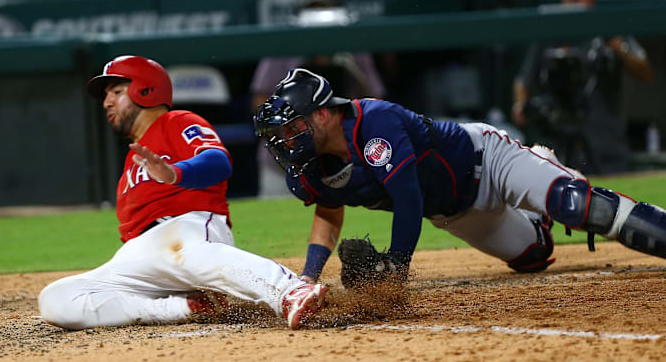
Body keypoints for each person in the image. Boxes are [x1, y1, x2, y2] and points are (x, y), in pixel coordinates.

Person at [253, 68, 666, 286]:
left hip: (487, 159)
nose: (287, 139)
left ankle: (544, 171)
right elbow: (328, 210)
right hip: (454, 211)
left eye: (293, 126)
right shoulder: (308, 167)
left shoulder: (373, 122)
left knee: (575, 206)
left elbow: (408, 197)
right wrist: (308, 276)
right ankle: (538, 218)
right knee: (533, 257)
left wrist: (397, 265)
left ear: (323, 113)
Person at [38, 55, 327, 330]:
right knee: (57, 299)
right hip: (140, 254)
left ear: (145, 89)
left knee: (187, 253)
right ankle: (183, 307)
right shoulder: (132, 160)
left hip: (185, 229)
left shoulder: (177, 121)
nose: (106, 102)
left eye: (115, 91)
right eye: (105, 96)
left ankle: (291, 290)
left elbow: (217, 161)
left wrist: (177, 173)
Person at [251, 0, 385, 197]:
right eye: (312, 6)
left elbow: (376, 99)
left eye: (322, 6)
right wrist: (287, 142)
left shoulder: (351, 40)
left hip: (343, 157)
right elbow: (260, 101)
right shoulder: (284, 42)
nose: (317, 12)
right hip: (285, 164)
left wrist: (347, 65)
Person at [512, 0, 653, 175]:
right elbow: (523, 79)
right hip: (557, 134)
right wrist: (520, 103)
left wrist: (618, 49)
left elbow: (645, 73)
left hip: (603, 136)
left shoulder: (608, 28)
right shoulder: (549, 32)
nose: (575, 1)